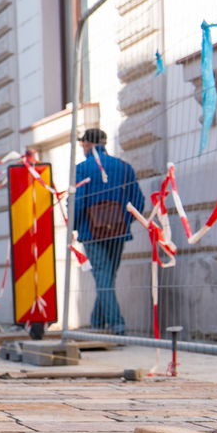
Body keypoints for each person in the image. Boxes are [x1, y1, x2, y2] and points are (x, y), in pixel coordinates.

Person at [71, 128, 145, 335]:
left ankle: (117, 324)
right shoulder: (124, 167)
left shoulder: (81, 169)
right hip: (118, 232)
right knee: (107, 277)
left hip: (91, 232)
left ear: (87, 144)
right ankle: (97, 321)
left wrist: (75, 226)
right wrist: (123, 221)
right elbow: (138, 200)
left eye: (83, 145)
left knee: (103, 276)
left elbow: (77, 201)